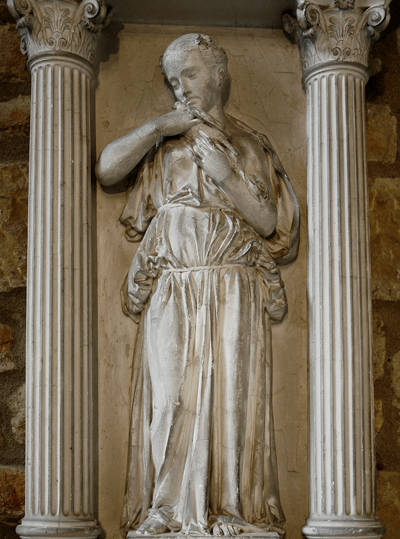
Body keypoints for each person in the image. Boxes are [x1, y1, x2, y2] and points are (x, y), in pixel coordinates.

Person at [96, 34, 300, 537]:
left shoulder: (248, 145)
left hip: (233, 287)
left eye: (188, 73)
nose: (179, 87)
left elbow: (271, 222)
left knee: (231, 399)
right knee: (168, 401)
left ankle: (229, 509)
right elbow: (106, 168)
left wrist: (227, 175)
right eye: (171, 80)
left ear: (218, 75)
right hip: (173, 285)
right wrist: (158, 127)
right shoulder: (163, 144)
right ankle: (166, 509)